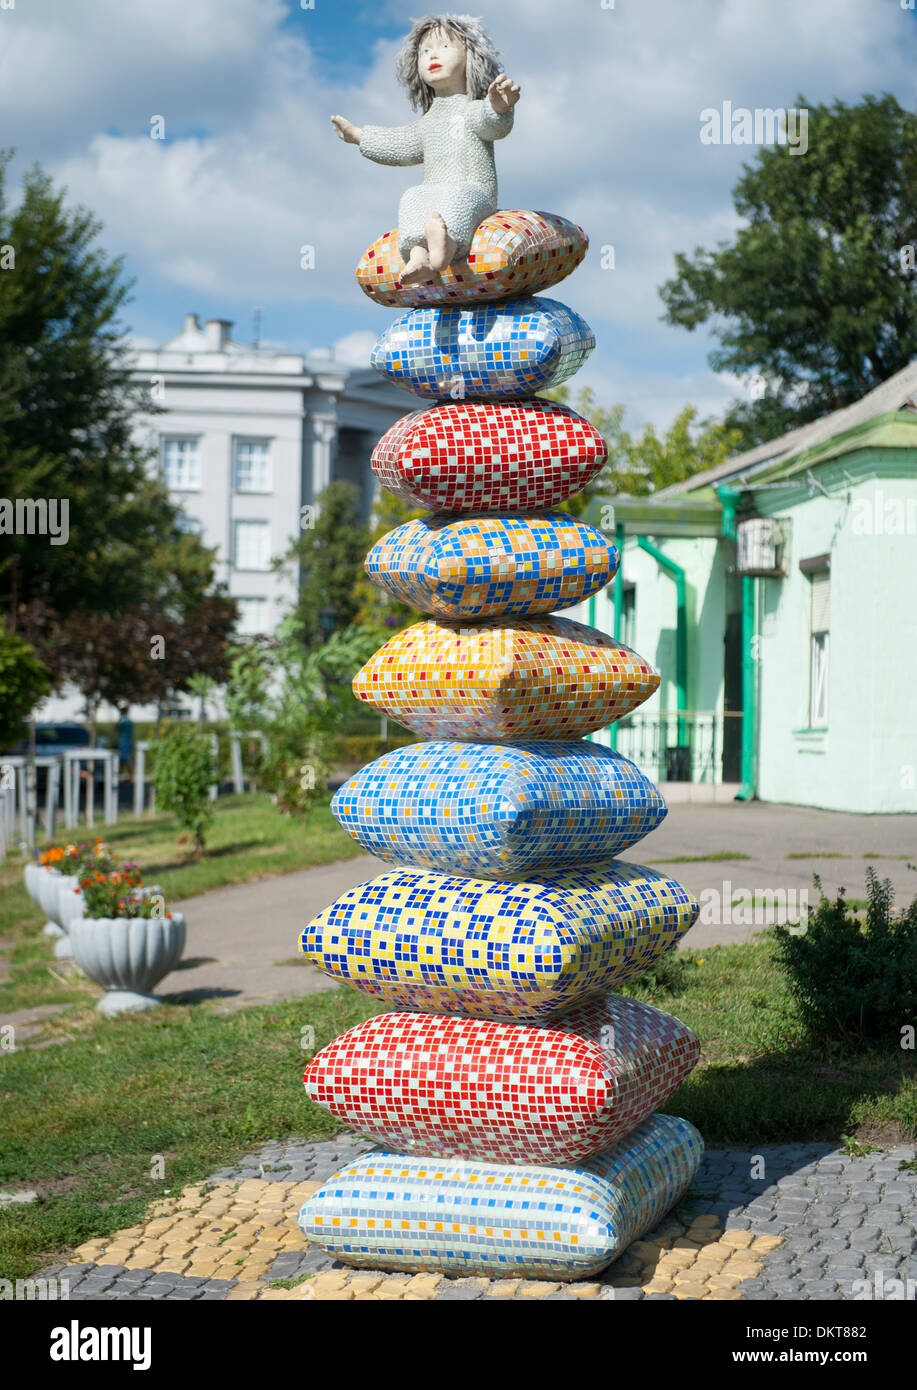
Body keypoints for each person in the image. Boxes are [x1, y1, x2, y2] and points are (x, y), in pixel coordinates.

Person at [331, 13, 521, 286]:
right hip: (433, 192)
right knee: (412, 196)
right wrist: (359, 136)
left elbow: (492, 126)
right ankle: (418, 256)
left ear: (472, 57)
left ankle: (447, 246)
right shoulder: (428, 121)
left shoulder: (472, 109)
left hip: (474, 188)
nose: (433, 56)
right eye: (425, 51)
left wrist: (498, 107)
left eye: (445, 47)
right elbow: (401, 144)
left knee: (459, 196)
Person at [117, 707, 134, 777]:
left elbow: (116, 727)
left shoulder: (123, 720)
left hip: (124, 742)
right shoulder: (129, 720)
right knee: (124, 759)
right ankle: (128, 776)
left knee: (125, 759)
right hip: (128, 741)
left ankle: (129, 776)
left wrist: (119, 719)